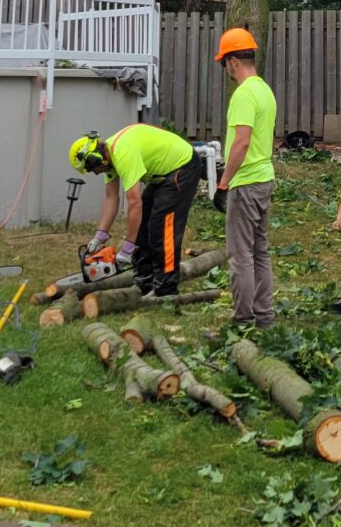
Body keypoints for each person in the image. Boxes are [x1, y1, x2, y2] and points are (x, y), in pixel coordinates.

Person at [68, 122, 204, 299]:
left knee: (162, 230)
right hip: (160, 175)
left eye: (91, 169)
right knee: (142, 228)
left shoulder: (123, 154)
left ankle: (166, 289)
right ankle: (145, 281)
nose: (94, 173)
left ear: (96, 159)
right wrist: (99, 236)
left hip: (182, 167)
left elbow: (134, 203)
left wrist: (127, 248)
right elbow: (111, 199)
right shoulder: (109, 158)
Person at [212, 26, 276, 329]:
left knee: (240, 256)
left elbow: (241, 142)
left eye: (225, 61)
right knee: (259, 251)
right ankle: (264, 317)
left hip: (245, 183)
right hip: (264, 179)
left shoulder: (244, 94)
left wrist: (224, 181)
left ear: (234, 61)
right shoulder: (264, 90)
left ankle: (243, 321)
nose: (225, 67)